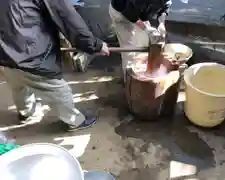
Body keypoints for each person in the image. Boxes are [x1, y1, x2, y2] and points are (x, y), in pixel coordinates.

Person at [0, 0, 109, 131]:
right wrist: (95, 44)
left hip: (4, 52)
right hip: (30, 54)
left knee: (18, 83)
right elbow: (68, 18)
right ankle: (75, 121)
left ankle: (26, 112)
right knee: (59, 91)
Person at [109, 0, 172, 81]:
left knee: (144, 44)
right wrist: (146, 28)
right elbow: (130, 13)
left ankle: (145, 76)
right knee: (130, 52)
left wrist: (161, 23)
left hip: (138, 12)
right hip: (122, 14)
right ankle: (129, 82)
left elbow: (165, 7)